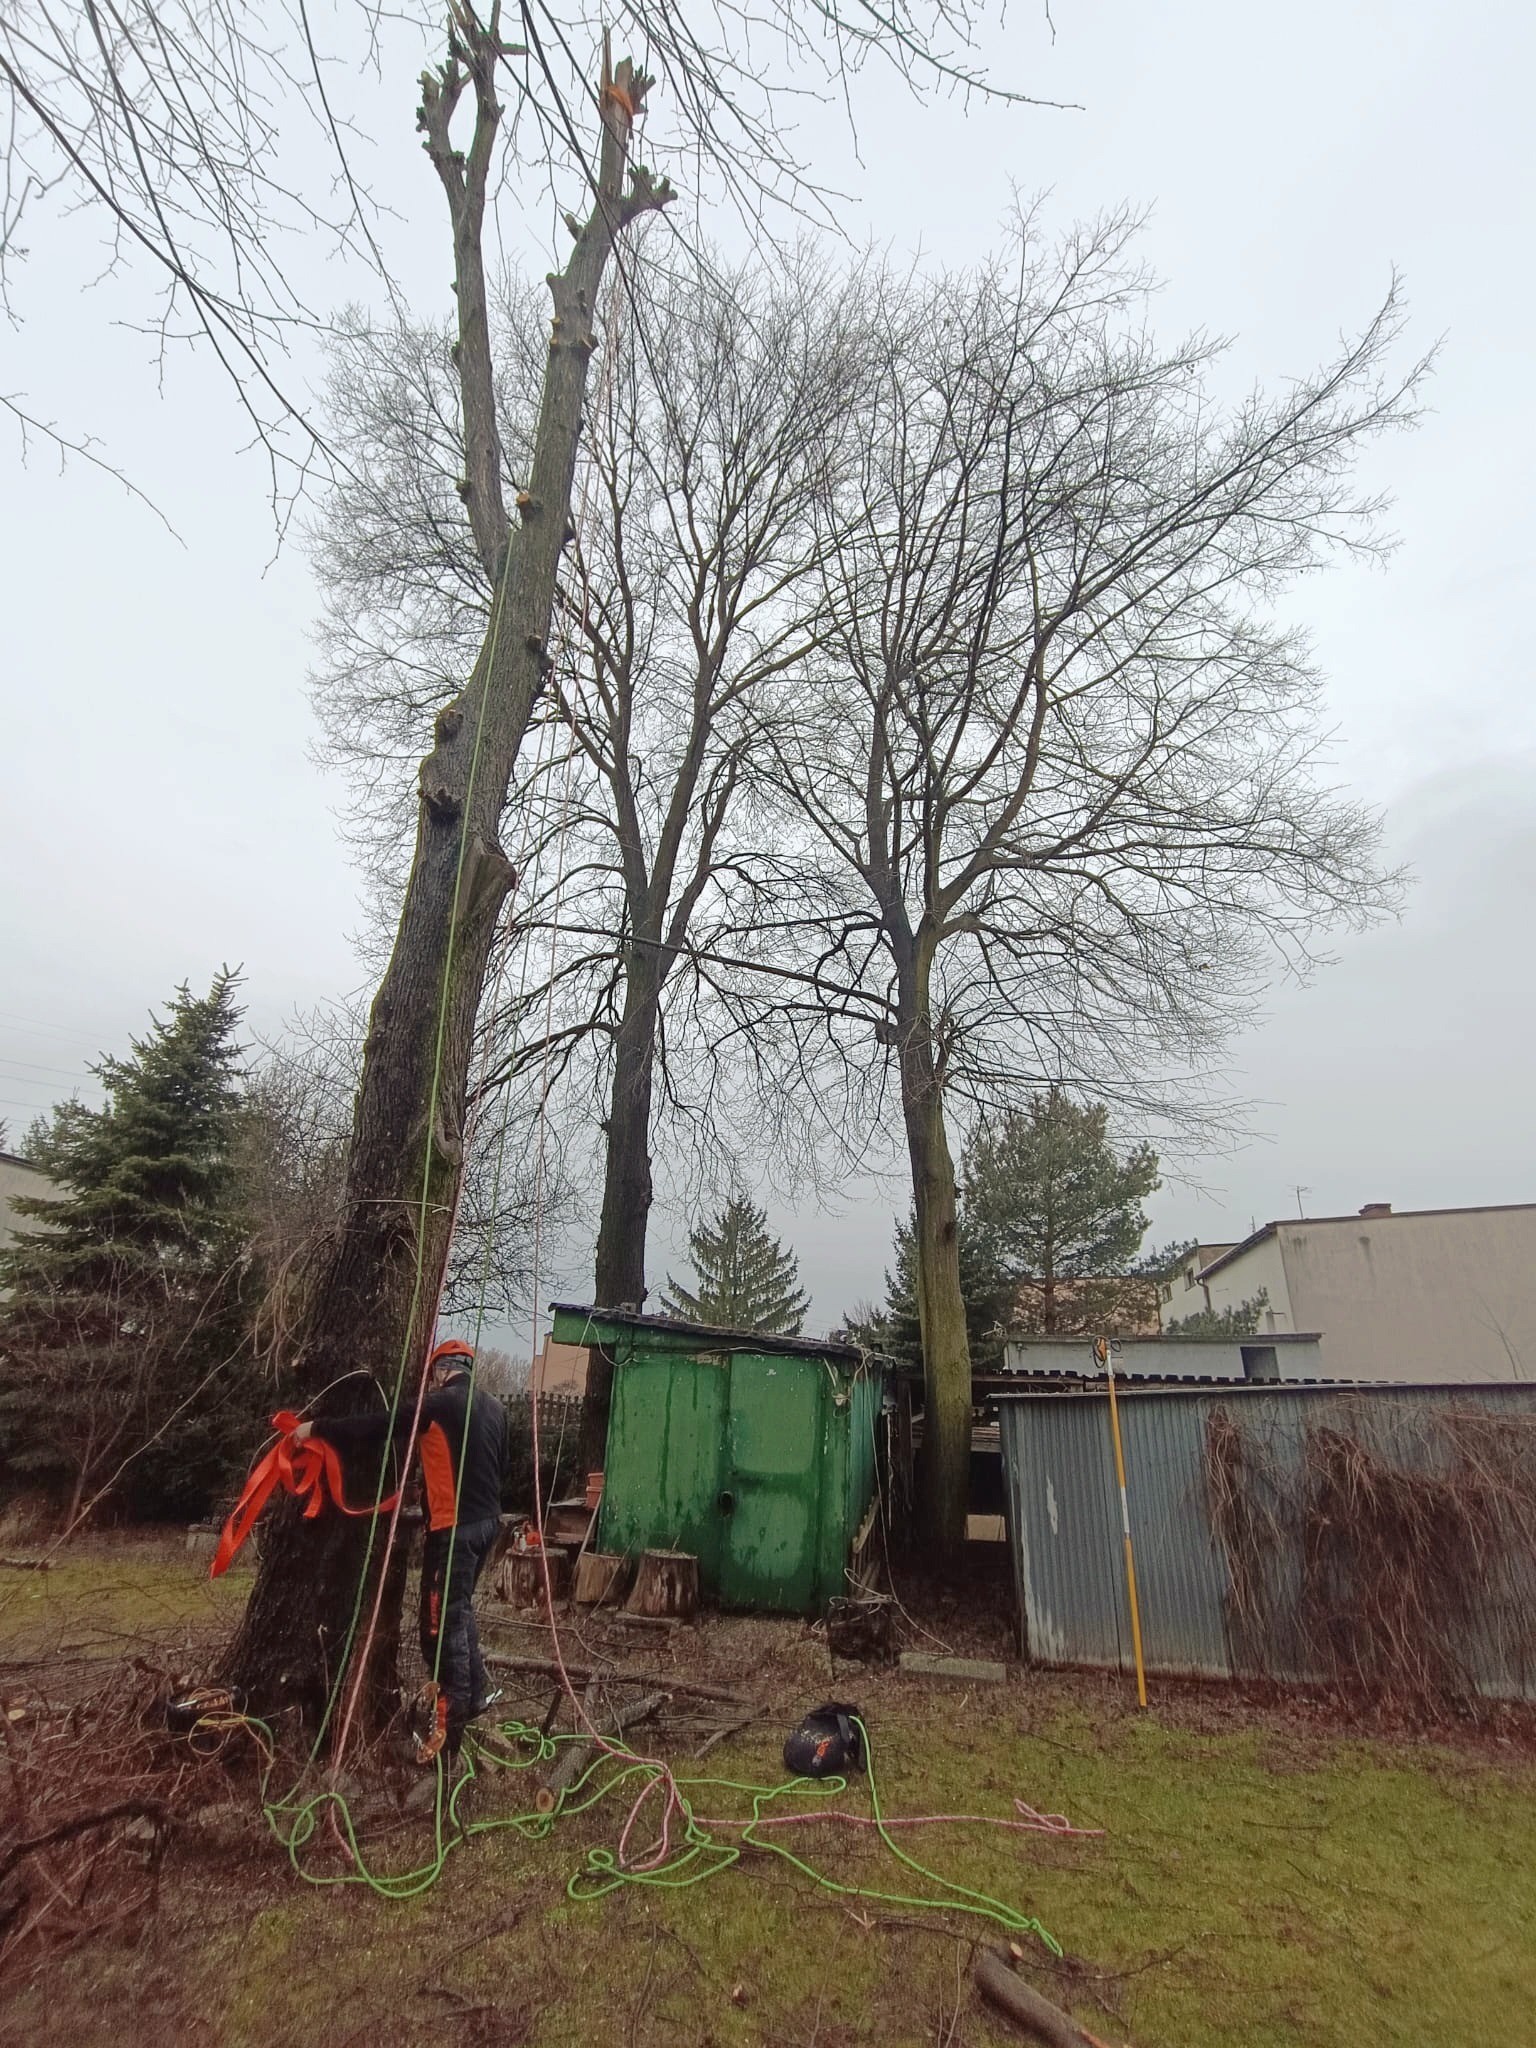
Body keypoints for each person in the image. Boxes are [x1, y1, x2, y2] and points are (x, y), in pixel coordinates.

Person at [296, 1338, 507, 1762]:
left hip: (454, 1532)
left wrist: (316, 1430)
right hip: (488, 1526)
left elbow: (379, 1426)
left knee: (439, 1630)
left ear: (440, 1371)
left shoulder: (438, 1405)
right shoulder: (495, 1409)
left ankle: (449, 1733)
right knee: (460, 1610)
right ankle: (476, 1694)